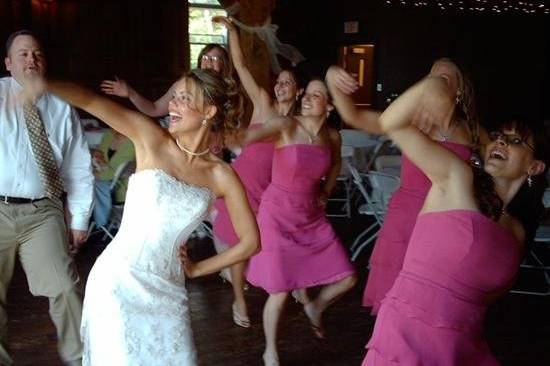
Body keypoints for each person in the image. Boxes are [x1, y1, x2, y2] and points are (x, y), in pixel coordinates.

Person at [30, 68, 260, 365]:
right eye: (173, 97)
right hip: (118, 282)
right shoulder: (150, 138)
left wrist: (197, 269)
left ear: (209, 111)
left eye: (183, 98)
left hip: (170, 290)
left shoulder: (222, 175)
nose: (172, 106)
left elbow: (251, 241)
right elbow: (90, 101)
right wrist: (44, 84)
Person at [361, 75, 547, 365]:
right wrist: (432, 83)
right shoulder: (457, 178)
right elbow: (392, 123)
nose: (500, 141)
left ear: (535, 167)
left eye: (515, 140)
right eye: (499, 135)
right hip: (408, 336)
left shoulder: (517, 230)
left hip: (464, 345)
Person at [326, 58, 476, 315]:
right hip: (408, 218)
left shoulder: (472, 131)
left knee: (436, 302)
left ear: (459, 90)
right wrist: (332, 79)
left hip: (448, 222)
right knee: (397, 299)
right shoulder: (408, 123)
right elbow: (354, 116)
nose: (435, 84)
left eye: (444, 79)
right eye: (432, 78)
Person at [241, 78, 357, 366]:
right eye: (308, 92)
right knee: (280, 290)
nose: (306, 98)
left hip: (311, 217)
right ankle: (270, 351)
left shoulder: (332, 137)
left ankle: (315, 307)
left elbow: (336, 165)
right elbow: (246, 137)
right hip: (277, 213)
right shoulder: (286, 125)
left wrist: (327, 191)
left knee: (349, 278)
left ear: (329, 106)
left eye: (317, 95)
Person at [0, 30, 93, 366]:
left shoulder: (61, 105)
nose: (31, 60)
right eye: (23, 54)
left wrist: (79, 218)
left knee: (65, 289)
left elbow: (79, 165)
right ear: (8, 63)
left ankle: (80, 358)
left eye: (37, 53)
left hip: (43, 211)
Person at [210, 15, 304, 328]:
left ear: (298, 92)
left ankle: (291, 284)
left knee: (269, 241)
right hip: (243, 182)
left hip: (270, 192)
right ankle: (239, 298)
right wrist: (233, 30)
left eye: (287, 83)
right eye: (278, 82)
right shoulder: (263, 104)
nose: (279, 87)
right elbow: (239, 64)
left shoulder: (299, 126)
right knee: (240, 242)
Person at [99, 44, 232, 117]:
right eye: (205, 57)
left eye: (214, 59)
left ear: (223, 64)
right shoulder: (184, 83)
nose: (208, 62)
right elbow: (155, 109)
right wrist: (130, 93)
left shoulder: (230, 92)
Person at [90, 128, 135, 228]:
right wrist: (97, 156)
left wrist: (93, 173)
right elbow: (100, 155)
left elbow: (112, 174)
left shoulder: (131, 144)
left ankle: (99, 222)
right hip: (103, 176)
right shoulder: (109, 135)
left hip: (118, 187)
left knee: (86, 184)